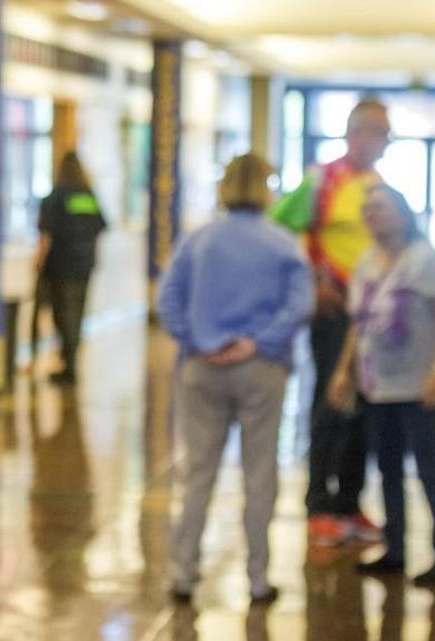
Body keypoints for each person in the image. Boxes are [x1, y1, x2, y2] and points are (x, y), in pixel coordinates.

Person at [158, 153, 314, 604]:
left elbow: (168, 300)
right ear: (267, 187)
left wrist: (197, 341)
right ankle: (258, 577)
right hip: (261, 368)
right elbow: (300, 305)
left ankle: (183, 573)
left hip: (201, 367)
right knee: (259, 473)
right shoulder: (283, 244)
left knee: (198, 471)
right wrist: (259, 342)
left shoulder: (198, 241)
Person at [268, 98, 391, 545]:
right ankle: (319, 504)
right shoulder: (321, 180)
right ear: (354, 133)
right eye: (375, 131)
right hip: (334, 311)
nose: (381, 141)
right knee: (330, 404)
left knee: (364, 410)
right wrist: (313, 279)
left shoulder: (377, 184)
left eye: (386, 134)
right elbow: (278, 227)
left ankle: (349, 504)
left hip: (371, 314)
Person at [328, 184, 435, 585]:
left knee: (429, 469)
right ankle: (395, 548)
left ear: (402, 213)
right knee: (388, 469)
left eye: (378, 207)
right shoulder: (367, 261)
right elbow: (358, 324)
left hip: (418, 385)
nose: (370, 213)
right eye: (367, 208)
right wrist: (343, 371)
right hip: (376, 385)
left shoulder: (424, 260)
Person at [33, 150, 108, 385]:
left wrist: (38, 260)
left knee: (63, 315)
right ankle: (71, 362)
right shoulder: (88, 196)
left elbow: (46, 235)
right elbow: (101, 227)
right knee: (77, 313)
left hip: (61, 265)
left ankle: (69, 366)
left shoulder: (56, 196)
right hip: (85, 264)